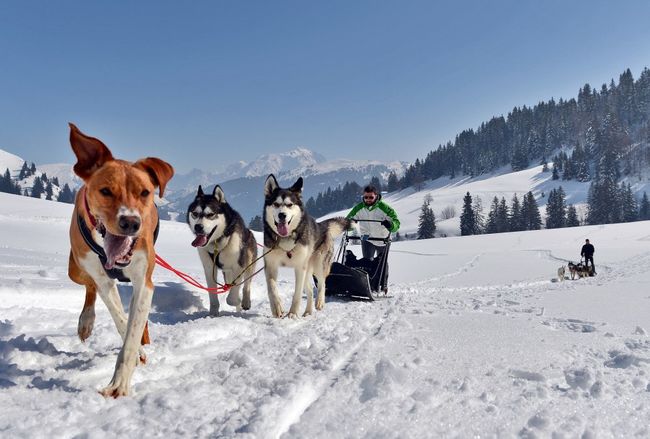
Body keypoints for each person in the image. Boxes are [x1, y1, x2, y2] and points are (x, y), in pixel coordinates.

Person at [346, 185, 400, 261]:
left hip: (382, 240)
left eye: (371, 197)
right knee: (366, 263)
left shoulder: (384, 208)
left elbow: (396, 223)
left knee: (381, 265)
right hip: (366, 239)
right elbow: (346, 222)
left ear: (376, 196)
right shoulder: (359, 208)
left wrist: (391, 225)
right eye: (366, 197)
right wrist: (350, 224)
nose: (368, 200)